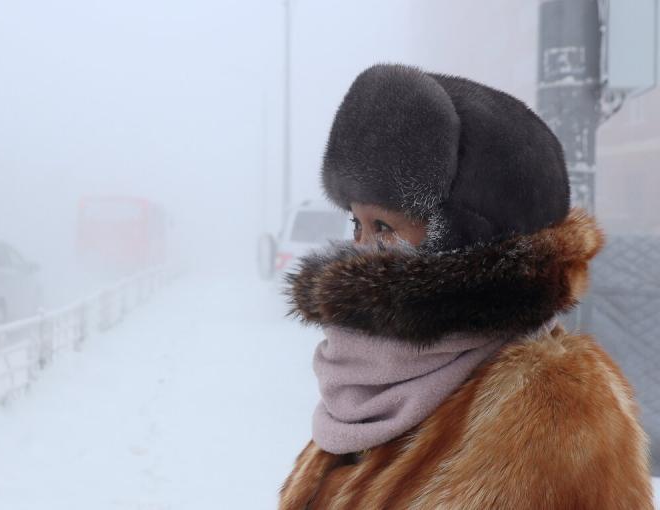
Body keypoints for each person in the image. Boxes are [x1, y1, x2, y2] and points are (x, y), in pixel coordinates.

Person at [279, 64, 652, 509]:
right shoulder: (370, 395)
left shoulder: (552, 415)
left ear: (467, 241)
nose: (359, 249)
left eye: (383, 225)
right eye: (355, 223)